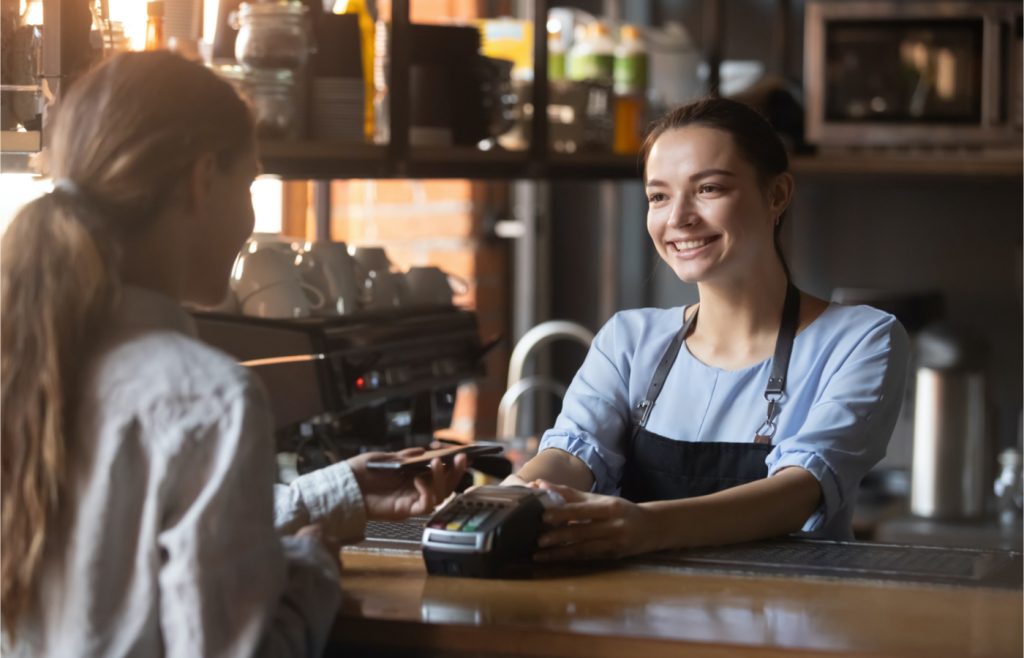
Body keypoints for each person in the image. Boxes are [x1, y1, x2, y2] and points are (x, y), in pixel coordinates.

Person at [0, 51, 466, 656]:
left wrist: (338, 493)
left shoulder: (24, 358)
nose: (251, 216)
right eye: (250, 183)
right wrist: (312, 573)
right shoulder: (209, 397)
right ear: (202, 179)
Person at [505, 98, 909, 560]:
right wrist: (509, 499)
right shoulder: (628, 340)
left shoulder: (860, 339)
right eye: (658, 196)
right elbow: (573, 455)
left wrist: (648, 526)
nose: (678, 218)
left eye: (709, 189)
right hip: (638, 618)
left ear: (776, 195)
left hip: (790, 621)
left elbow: (800, 491)